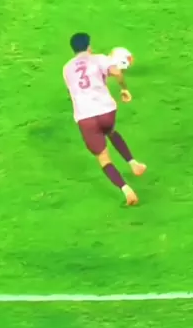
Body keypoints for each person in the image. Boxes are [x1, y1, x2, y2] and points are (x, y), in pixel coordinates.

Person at [63, 33, 146, 205]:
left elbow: (71, 92)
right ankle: (134, 164)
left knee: (104, 158)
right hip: (107, 111)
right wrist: (124, 89)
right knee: (110, 130)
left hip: (85, 117)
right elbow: (117, 72)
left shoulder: (67, 68)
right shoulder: (99, 59)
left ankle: (126, 190)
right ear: (88, 46)